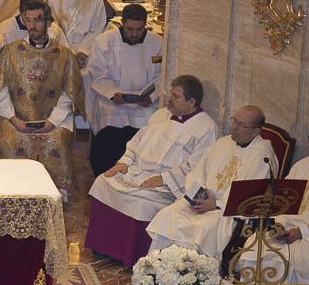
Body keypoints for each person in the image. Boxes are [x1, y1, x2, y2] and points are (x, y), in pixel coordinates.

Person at [85, 76, 216, 266]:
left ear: (191, 102)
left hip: (167, 183)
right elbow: (137, 141)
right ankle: (104, 246)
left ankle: (130, 255)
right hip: (138, 170)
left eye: (176, 96)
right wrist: (124, 162)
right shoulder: (161, 114)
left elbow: (196, 166)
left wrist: (164, 178)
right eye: (171, 94)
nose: (170, 99)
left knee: (140, 200)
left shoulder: (206, 127)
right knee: (103, 182)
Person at [236, 118, 309, 285]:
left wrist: (302, 231)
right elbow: (284, 201)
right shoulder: (302, 165)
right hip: (288, 228)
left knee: (290, 256)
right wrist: (279, 225)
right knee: (257, 243)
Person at [147, 106, 271, 258]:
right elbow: (197, 172)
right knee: (169, 214)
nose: (235, 128)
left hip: (225, 212)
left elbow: (253, 194)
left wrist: (216, 204)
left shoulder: (263, 155)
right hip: (201, 201)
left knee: (201, 227)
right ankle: (156, 267)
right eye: (234, 121)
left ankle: (187, 275)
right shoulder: (222, 143)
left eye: (242, 125)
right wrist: (199, 193)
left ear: (256, 132)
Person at [0, 0, 84, 198]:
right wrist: (15, 120)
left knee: (57, 141)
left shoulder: (63, 54)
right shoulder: (10, 52)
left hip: (53, 120)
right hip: (17, 119)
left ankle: (55, 194)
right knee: (10, 140)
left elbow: (68, 94)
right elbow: (1, 92)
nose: (32, 25)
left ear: (48, 22)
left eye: (38, 19)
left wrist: (52, 122)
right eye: (28, 20)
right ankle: (10, 191)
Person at [84, 2, 163, 176]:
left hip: (144, 105)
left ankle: (136, 178)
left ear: (145, 25)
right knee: (109, 138)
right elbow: (97, 73)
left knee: (148, 131)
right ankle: (104, 177)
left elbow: (162, 76)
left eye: (139, 29)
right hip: (113, 104)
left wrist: (151, 97)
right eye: (130, 29)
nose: (134, 34)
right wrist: (113, 94)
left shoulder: (157, 44)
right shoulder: (104, 42)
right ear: (122, 23)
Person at [48, 0, 107, 68]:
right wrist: (69, 53)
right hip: (61, 51)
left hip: (89, 52)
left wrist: (83, 52)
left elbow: (98, 28)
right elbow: (54, 29)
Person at [0, 0, 67, 46]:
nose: (33, 25)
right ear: (20, 11)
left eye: (37, 18)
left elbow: (64, 55)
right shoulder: (3, 31)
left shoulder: (54, 30)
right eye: (28, 18)